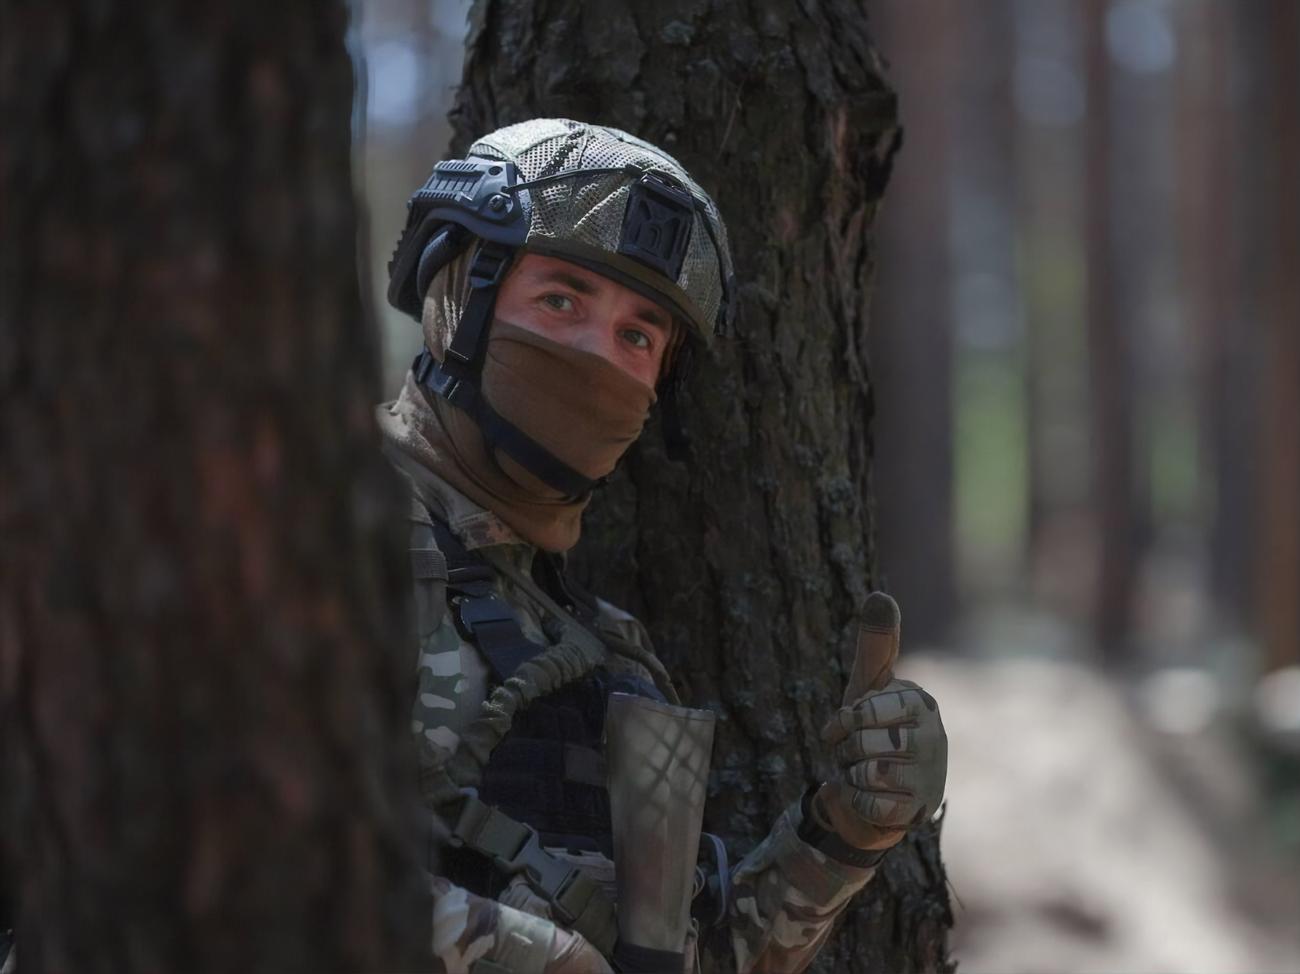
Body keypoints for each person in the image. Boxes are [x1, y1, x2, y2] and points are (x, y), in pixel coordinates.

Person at [377, 118, 947, 973]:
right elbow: (213, 858)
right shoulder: (314, 547)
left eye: (638, 337)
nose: (596, 357)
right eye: (561, 300)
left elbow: (681, 960)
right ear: (460, 295)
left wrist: (844, 836)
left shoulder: (609, 654)